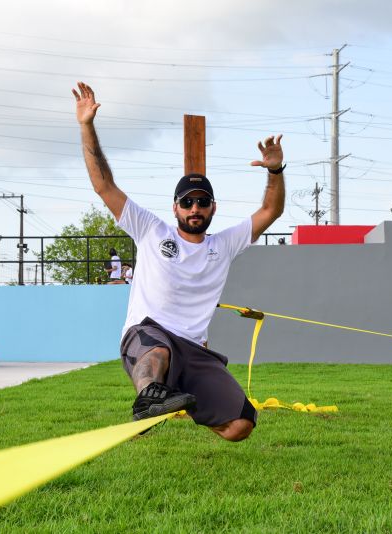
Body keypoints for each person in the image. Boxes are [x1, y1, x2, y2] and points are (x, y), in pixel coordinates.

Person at [74, 81, 286, 441]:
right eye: (187, 202)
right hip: (148, 333)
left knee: (240, 426)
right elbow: (104, 185)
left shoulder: (224, 244)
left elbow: (271, 210)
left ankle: (180, 399)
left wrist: (275, 171)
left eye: (202, 202)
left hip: (193, 349)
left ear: (212, 208)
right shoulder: (150, 230)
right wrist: (86, 126)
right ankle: (148, 401)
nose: (195, 208)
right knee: (158, 349)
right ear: (175, 207)